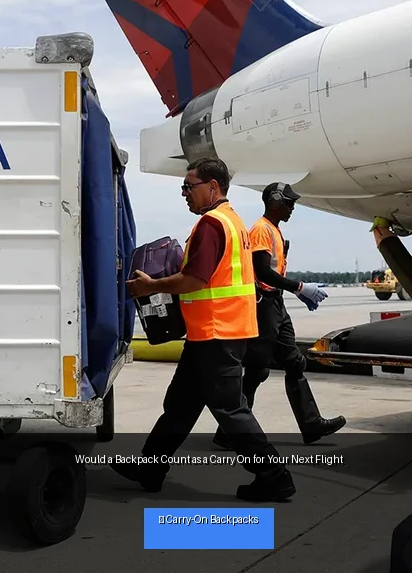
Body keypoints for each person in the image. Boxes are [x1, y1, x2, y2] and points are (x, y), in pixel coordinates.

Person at [115, 157, 296, 502]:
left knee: (230, 410)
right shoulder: (233, 222)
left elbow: (195, 279)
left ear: (213, 187)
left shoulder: (213, 224)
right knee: (180, 404)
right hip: (211, 333)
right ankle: (150, 468)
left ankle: (275, 477)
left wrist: (150, 286)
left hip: (219, 334)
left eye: (189, 186)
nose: (184, 193)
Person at [212, 182, 346, 451]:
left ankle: (311, 425)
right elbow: (262, 272)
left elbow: (274, 273)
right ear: (275, 201)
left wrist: (296, 293)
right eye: (289, 202)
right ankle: (229, 432)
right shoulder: (262, 230)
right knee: (257, 369)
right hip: (264, 306)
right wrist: (299, 286)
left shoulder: (273, 230)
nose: (293, 207)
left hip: (276, 305)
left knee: (294, 363)